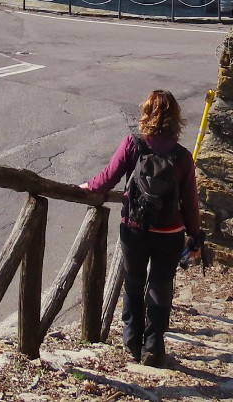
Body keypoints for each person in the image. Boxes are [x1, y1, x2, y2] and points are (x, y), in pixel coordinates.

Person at [83, 89, 203, 367]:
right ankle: (153, 347)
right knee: (160, 289)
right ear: (175, 118)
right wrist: (195, 235)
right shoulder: (182, 157)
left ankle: (132, 343)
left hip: (135, 228)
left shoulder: (133, 145)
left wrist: (87, 187)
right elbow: (190, 204)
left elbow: (106, 180)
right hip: (170, 234)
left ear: (146, 113)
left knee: (134, 283)